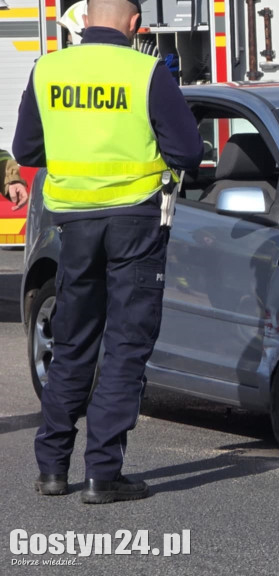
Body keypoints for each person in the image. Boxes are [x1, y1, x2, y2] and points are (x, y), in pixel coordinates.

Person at [13, 0, 203, 503]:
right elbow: (188, 152)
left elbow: (27, 150)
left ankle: (52, 468)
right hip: (136, 222)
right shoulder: (147, 72)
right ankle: (102, 474)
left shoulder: (48, 70)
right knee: (124, 344)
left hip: (73, 223)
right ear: (136, 24)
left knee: (73, 340)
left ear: (85, 18)